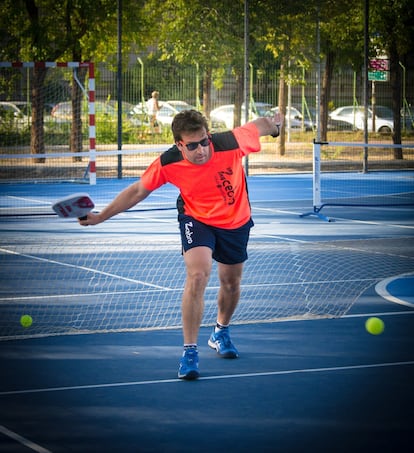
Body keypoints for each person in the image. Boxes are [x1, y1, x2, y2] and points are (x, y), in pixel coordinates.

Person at [79, 109, 282, 380]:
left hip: (235, 220)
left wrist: (276, 125)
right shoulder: (168, 162)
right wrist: (101, 216)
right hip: (196, 218)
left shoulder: (230, 142)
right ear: (179, 144)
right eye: (193, 145)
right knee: (197, 275)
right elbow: (138, 191)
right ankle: (189, 351)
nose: (201, 150)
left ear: (209, 136)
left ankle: (220, 331)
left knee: (231, 283)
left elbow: (262, 125)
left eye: (204, 141)